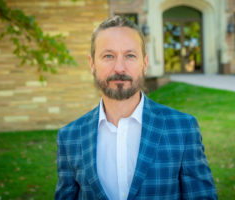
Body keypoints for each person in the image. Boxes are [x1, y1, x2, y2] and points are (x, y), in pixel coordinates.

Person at [55, 15, 217, 200]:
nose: (119, 68)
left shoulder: (183, 128)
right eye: (108, 56)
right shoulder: (70, 137)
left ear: (145, 64)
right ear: (92, 65)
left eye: (130, 56)